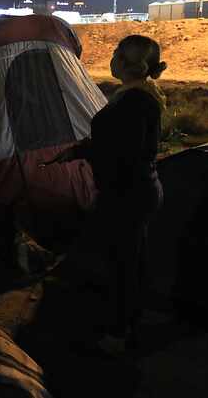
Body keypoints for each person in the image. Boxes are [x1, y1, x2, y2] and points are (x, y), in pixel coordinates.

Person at [40, 35, 167, 357]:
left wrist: (92, 159)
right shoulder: (134, 96)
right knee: (127, 259)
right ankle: (126, 319)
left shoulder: (136, 102)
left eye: (116, 54)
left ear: (128, 63)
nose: (111, 58)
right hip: (131, 191)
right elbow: (115, 143)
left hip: (128, 195)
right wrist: (77, 151)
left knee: (124, 264)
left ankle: (120, 332)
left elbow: (123, 152)